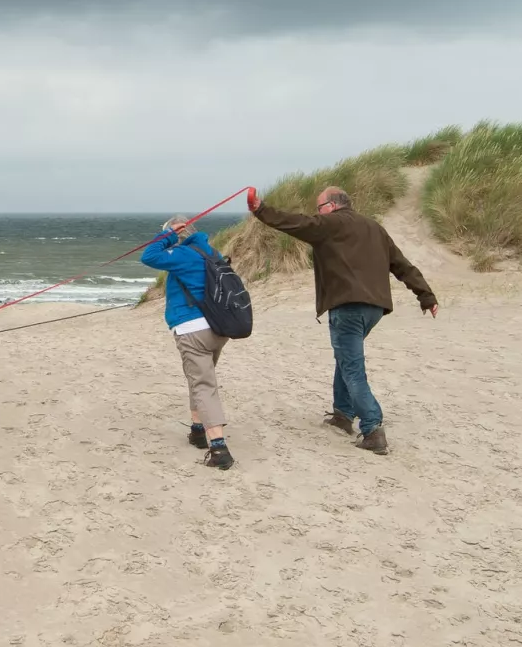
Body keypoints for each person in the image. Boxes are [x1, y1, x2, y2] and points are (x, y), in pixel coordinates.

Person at [245, 185, 438, 455]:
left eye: (320, 207)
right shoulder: (374, 228)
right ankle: (342, 414)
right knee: (346, 358)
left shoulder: (332, 223)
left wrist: (260, 209)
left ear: (333, 206)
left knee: (351, 368)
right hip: (374, 309)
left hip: (348, 307)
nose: (318, 212)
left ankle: (372, 428)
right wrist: (426, 296)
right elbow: (402, 264)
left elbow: (298, 223)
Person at [140, 215, 236, 470]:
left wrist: (168, 234)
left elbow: (149, 256)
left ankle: (219, 447)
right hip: (217, 328)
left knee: (203, 384)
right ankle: (197, 431)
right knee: (199, 377)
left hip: (193, 329)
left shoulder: (183, 253)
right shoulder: (209, 251)